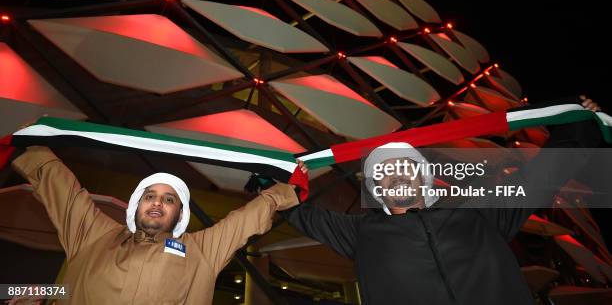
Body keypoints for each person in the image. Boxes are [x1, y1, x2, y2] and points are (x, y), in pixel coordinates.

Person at [283, 95, 605, 304]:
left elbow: (545, 175)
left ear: (422, 176)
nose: (395, 175)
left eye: (404, 167)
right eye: (383, 172)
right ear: (376, 188)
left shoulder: (480, 213)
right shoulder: (360, 233)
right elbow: (293, 208)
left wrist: (575, 122)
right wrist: (276, 177)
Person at [11, 145, 299, 304]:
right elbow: (64, 191)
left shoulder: (201, 250)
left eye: (169, 199)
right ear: (137, 204)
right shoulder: (93, 236)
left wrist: (291, 185)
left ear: (179, 215)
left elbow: (246, 219)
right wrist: (28, 145)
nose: (158, 203)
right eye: (150, 196)